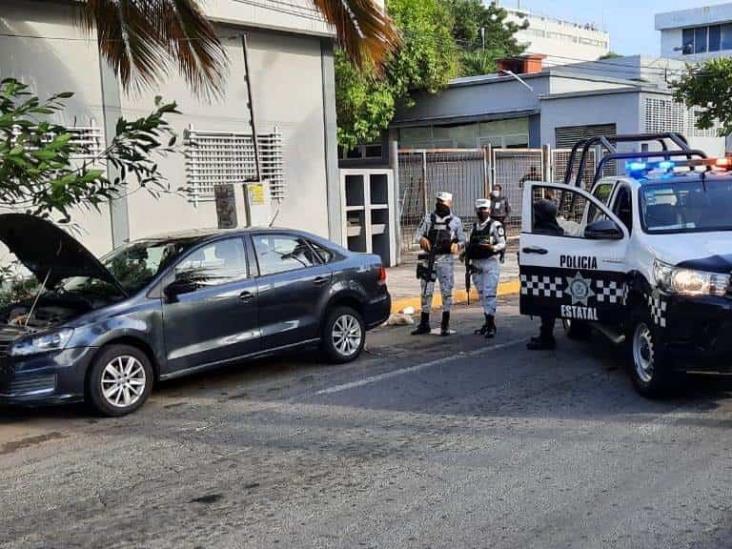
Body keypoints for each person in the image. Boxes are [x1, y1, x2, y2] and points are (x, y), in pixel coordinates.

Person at [412, 192, 466, 336]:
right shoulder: (428, 218)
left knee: (446, 291)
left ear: (449, 203)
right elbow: (417, 234)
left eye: (443, 201)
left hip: (445, 260)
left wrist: (458, 246)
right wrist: (422, 239)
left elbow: (462, 240)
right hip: (429, 259)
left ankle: (445, 323)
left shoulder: (456, 221)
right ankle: (424, 323)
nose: (440, 204)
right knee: (426, 292)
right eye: (438, 201)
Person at [527, 193, 564, 351]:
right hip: (551, 275)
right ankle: (545, 335)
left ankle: (547, 338)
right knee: (546, 308)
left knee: (546, 308)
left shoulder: (543, 233)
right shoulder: (557, 230)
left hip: (546, 276)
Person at [465, 198, 506, 338]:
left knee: (489, 294)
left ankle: (491, 324)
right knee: (482, 294)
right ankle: (487, 322)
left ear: (489, 210)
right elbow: (468, 243)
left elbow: (502, 243)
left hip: (490, 263)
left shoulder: (495, 225)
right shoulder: (473, 227)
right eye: (480, 209)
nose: (483, 212)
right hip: (476, 264)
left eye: (485, 209)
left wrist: (492, 247)